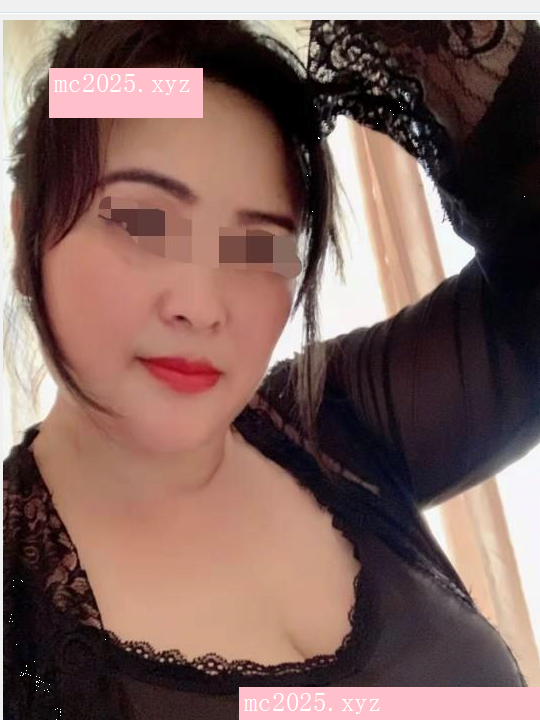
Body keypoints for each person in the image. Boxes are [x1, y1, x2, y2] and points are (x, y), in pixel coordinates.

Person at [3, 18, 539, 718]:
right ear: (27, 233)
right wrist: (93, 89)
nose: (201, 305)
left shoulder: (336, 418)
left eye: (257, 245)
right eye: (141, 222)